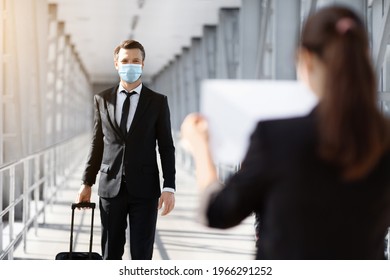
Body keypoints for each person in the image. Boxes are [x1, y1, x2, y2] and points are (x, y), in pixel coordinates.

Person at [181, 6, 390, 259]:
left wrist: (201, 149)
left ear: (306, 59)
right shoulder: (382, 137)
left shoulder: (276, 137)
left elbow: (218, 212)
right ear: (363, 55)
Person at [76, 39, 176, 260]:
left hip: (145, 190)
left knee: (141, 255)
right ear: (116, 64)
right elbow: (97, 143)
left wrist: (169, 186)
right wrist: (87, 182)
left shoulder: (158, 102)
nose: (130, 65)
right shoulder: (101, 99)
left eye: (135, 61)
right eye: (125, 60)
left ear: (142, 64)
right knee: (110, 253)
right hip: (110, 188)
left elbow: (166, 146)